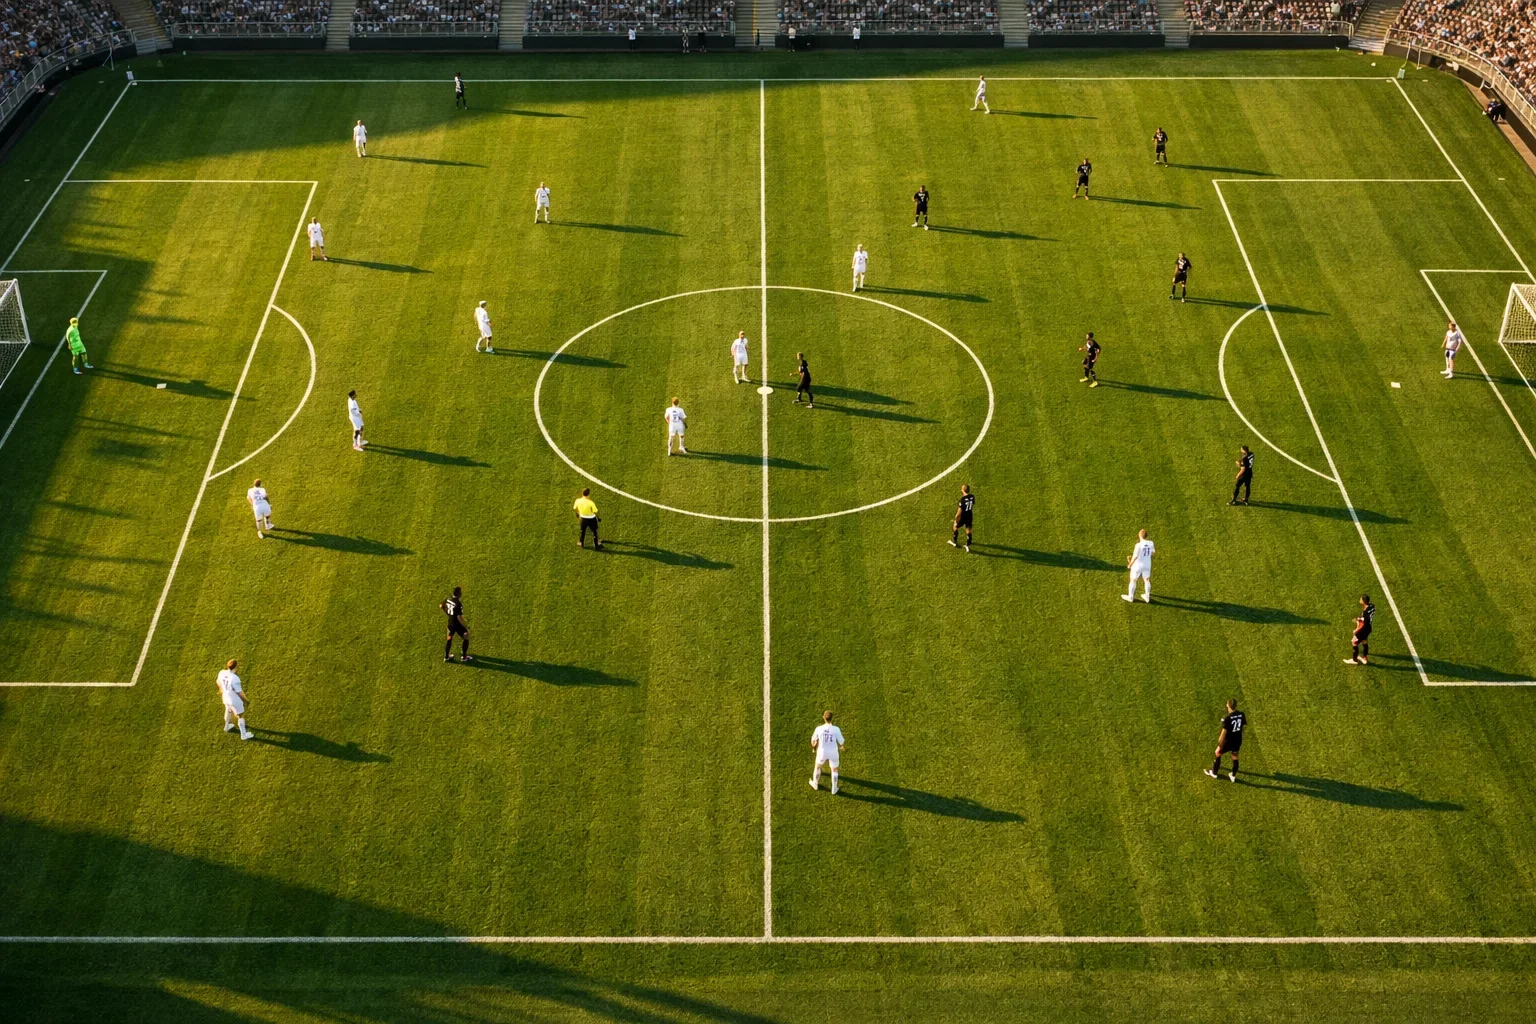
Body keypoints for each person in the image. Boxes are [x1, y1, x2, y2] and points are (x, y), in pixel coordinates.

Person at [1203, 699, 1245, 782]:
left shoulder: (1227, 718)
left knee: (1217, 753)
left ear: (1228, 706)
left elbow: (1223, 733)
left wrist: (1219, 744)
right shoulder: (1241, 714)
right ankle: (1233, 775)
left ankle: (1214, 773)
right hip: (1237, 740)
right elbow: (1242, 727)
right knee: (1235, 757)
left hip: (1228, 741)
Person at [809, 710, 845, 794]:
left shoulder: (819, 729)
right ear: (832, 718)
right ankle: (834, 788)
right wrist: (842, 747)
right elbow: (841, 742)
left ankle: (815, 783)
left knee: (817, 767)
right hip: (833, 752)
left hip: (822, 752)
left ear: (823, 718)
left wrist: (814, 747)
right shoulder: (836, 729)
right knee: (834, 769)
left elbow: (813, 740)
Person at [217, 659, 253, 740]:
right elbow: (240, 692)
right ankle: (243, 735)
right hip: (234, 700)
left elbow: (218, 682)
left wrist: (221, 689)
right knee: (240, 716)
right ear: (236, 667)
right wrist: (246, 701)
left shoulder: (222, 672)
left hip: (225, 698)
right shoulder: (235, 678)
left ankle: (226, 726)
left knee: (228, 710)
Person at [1122, 528, 1154, 603]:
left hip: (1138, 565)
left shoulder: (1138, 545)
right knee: (1147, 579)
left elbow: (1135, 557)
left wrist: (1130, 564)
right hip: (1147, 564)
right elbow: (1152, 552)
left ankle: (1130, 597)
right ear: (1147, 536)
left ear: (1139, 535)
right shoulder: (1151, 543)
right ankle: (1147, 596)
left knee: (1133, 580)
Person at [441, 586, 472, 663]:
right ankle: (464, 657)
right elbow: (459, 617)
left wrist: (449, 615)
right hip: (457, 624)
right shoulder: (458, 604)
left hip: (450, 623)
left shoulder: (448, 599)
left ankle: (446, 657)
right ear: (459, 594)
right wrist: (466, 627)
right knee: (466, 635)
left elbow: (441, 606)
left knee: (449, 638)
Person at [1346, 594, 1374, 665]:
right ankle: (1365, 657)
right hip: (1369, 628)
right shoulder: (1371, 606)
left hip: (1364, 629)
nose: (1359, 600)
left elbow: (1363, 623)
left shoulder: (1365, 612)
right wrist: (1359, 619)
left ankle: (1354, 660)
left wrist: (1356, 630)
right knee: (1364, 641)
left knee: (1354, 642)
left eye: (1361, 599)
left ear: (1364, 601)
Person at [949, 484, 975, 552]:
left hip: (963, 515)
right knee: (968, 528)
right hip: (970, 514)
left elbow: (959, 511)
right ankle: (968, 543)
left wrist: (956, 518)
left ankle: (954, 541)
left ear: (963, 490)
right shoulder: (972, 496)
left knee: (955, 526)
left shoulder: (962, 499)